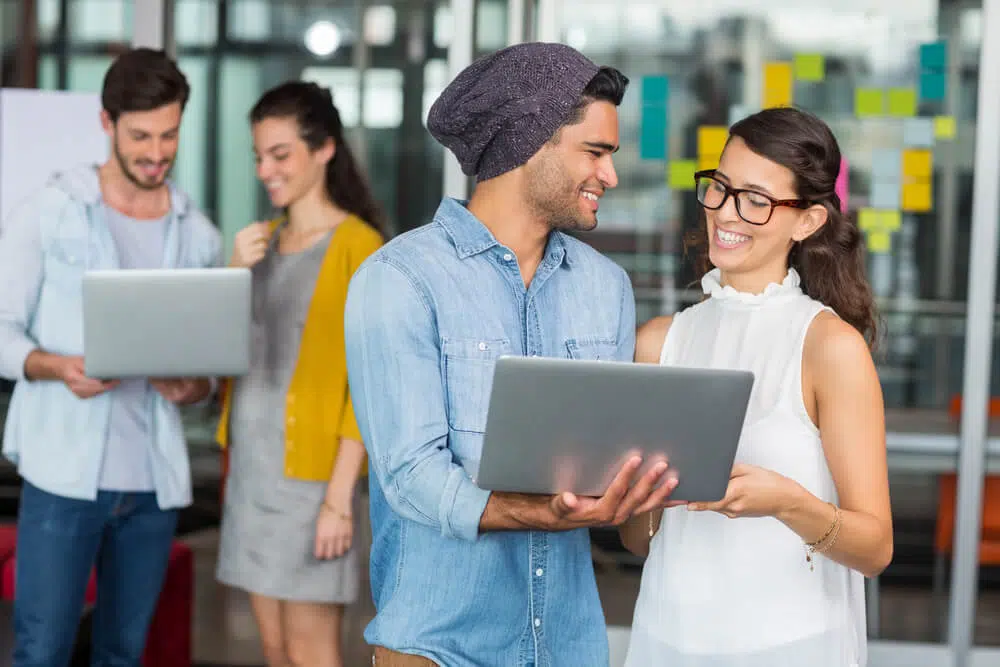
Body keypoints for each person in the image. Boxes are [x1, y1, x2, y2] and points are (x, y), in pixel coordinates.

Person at [344, 42, 678, 667]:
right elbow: (410, 478)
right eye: (595, 152)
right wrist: (538, 513)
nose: (610, 176)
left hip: (568, 646)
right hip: (438, 648)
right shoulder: (399, 280)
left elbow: (609, 455)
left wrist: (644, 482)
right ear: (529, 144)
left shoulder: (607, 287)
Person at [620, 106, 893, 667]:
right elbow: (639, 541)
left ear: (808, 221)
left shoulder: (828, 347)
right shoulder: (658, 342)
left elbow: (875, 548)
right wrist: (640, 497)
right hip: (665, 636)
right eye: (720, 187)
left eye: (756, 200)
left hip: (792, 646)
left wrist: (786, 503)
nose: (725, 212)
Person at [0, 48, 221, 666]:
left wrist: (192, 388)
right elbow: (1, 331)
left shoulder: (197, 234)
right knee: (42, 650)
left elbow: (207, 369)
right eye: (141, 136)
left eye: (170, 135)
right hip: (64, 477)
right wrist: (58, 366)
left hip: (152, 486)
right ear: (107, 123)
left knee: (123, 653)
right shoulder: (51, 211)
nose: (157, 152)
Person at [214, 80, 384, 667]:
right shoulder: (258, 247)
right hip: (252, 477)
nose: (266, 169)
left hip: (315, 487)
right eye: (258, 156)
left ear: (324, 149)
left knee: (313, 654)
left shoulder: (360, 249)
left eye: (280, 154)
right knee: (274, 649)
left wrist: (339, 499)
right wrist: (232, 277)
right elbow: (216, 357)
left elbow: (369, 387)